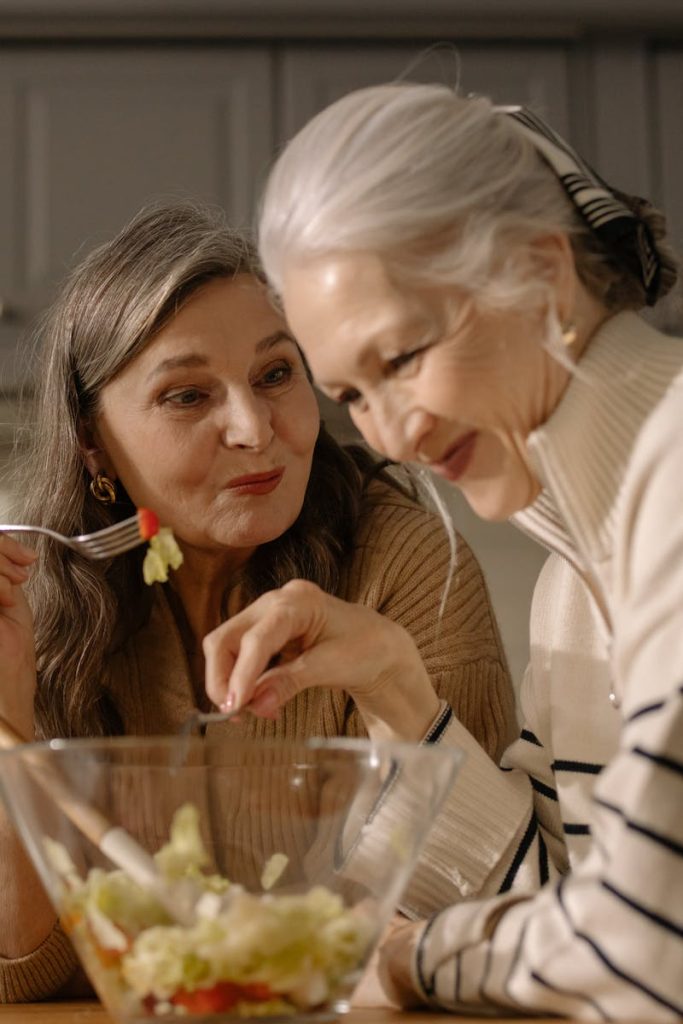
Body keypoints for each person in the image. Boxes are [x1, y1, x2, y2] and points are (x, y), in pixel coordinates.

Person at [198, 85, 683, 1019]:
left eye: (404, 357)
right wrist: (395, 687)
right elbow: (560, 909)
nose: (386, 437)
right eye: (352, 394)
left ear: (543, 276)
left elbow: (640, 948)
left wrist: (409, 962)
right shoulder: (573, 585)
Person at [0, 199, 516, 1002]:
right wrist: (10, 718)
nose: (253, 427)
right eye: (187, 396)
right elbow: (27, 973)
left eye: (275, 375)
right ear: (90, 442)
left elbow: (478, 920)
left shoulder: (404, 562)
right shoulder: (39, 603)